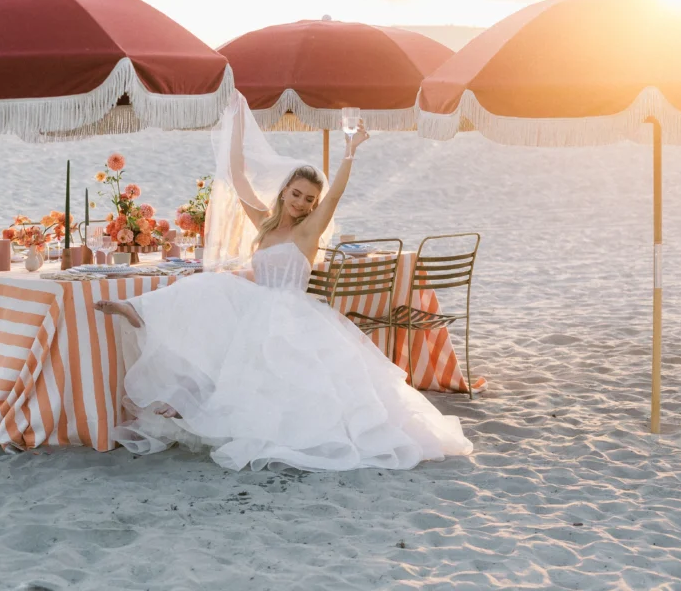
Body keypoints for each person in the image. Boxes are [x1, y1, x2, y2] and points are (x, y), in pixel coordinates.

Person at [93, 93, 472, 472]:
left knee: (268, 371)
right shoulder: (266, 224)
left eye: (308, 199)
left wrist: (350, 151)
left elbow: (336, 194)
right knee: (209, 288)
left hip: (292, 312)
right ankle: (139, 311)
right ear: (284, 192)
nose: (301, 202)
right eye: (296, 194)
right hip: (258, 302)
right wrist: (237, 123)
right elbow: (238, 178)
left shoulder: (309, 231)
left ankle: (202, 405)